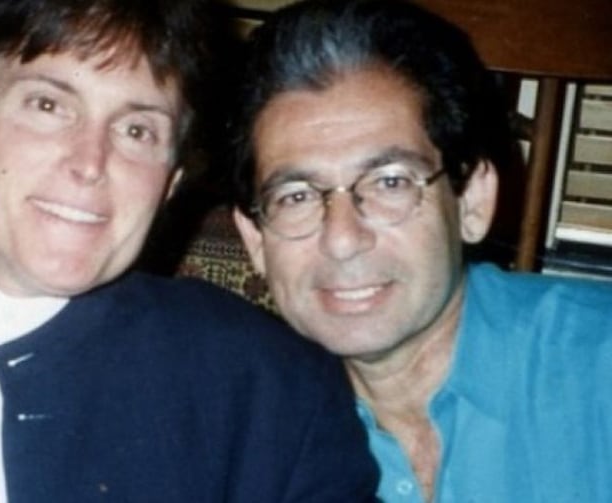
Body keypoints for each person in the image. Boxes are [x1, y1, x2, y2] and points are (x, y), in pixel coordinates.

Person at [0, 0, 379, 501]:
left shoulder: (263, 389)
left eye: (137, 130)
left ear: (171, 181)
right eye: (47, 105)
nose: (90, 163)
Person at [229, 0, 612, 502]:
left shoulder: (597, 370)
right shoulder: (239, 434)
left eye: (390, 182)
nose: (342, 240)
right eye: (296, 196)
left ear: (472, 200)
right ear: (255, 240)